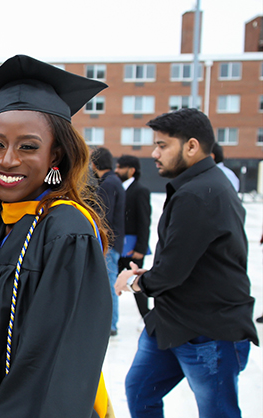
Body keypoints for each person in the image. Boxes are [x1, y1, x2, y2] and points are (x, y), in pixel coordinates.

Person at [0, 55, 112, 417]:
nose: (6, 160)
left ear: (57, 154)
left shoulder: (66, 233)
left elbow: (52, 368)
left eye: (28, 146)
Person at [116, 108, 258, 418]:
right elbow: (189, 258)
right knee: (140, 391)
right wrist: (150, 274)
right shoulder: (202, 185)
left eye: (163, 145)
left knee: (217, 411)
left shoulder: (200, 192)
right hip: (173, 322)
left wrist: (135, 281)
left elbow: (171, 272)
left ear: (191, 146)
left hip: (208, 330)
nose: (154, 153)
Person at [91, 147, 125, 336]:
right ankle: (110, 323)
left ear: (95, 164)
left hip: (110, 243)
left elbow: (103, 215)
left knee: (109, 283)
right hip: (114, 241)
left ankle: (111, 324)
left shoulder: (108, 184)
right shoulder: (114, 181)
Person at [115, 155, 152, 318]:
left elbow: (145, 221)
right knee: (113, 281)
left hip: (133, 246)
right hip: (117, 245)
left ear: (131, 170)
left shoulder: (140, 190)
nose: (116, 170)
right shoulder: (118, 188)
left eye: (120, 167)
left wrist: (140, 248)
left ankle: (147, 316)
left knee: (137, 283)